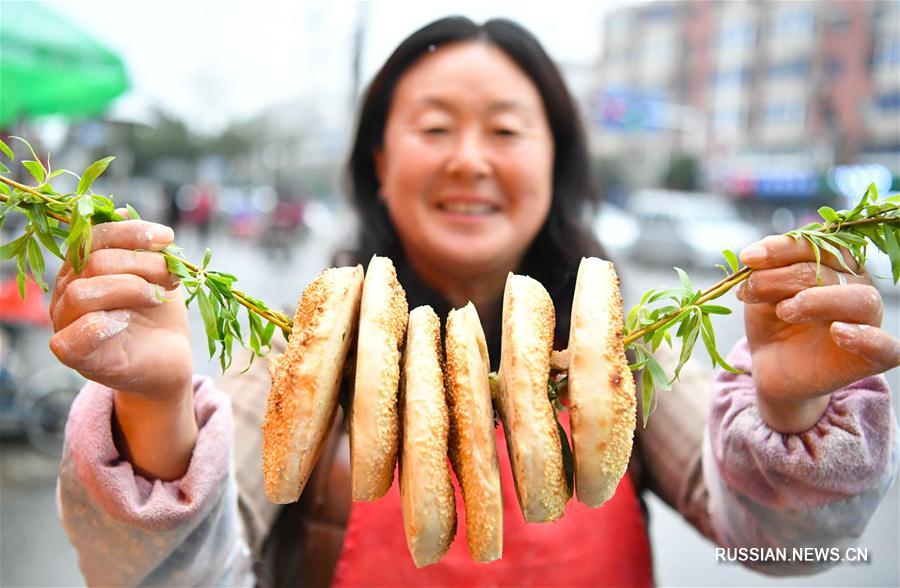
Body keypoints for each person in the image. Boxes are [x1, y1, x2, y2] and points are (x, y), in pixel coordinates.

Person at [50, 17, 898, 587]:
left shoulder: (623, 346)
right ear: (379, 161)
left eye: (504, 129)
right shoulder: (301, 352)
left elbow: (789, 549)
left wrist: (793, 409)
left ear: (555, 161)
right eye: (432, 127)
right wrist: (155, 405)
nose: (469, 159)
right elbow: (154, 577)